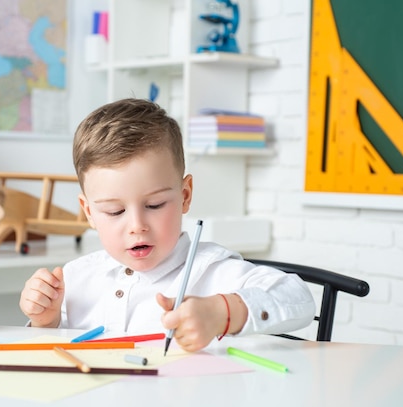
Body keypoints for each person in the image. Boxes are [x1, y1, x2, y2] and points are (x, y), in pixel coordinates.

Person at [19, 98, 315, 352]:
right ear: (89, 212)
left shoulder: (213, 271)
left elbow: (298, 298)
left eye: (155, 205)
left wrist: (221, 313)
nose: (137, 225)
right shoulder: (75, 278)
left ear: (185, 196)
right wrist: (47, 321)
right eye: (114, 211)